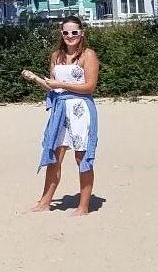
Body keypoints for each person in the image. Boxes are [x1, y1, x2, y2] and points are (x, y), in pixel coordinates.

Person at [22, 15, 100, 216]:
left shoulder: (88, 55)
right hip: (60, 109)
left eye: (75, 32)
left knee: (81, 157)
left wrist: (61, 85)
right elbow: (52, 87)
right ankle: (45, 202)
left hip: (81, 110)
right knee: (55, 157)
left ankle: (83, 206)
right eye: (66, 32)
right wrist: (35, 79)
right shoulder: (56, 56)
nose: (70, 36)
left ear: (82, 33)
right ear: (61, 34)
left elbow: (89, 86)